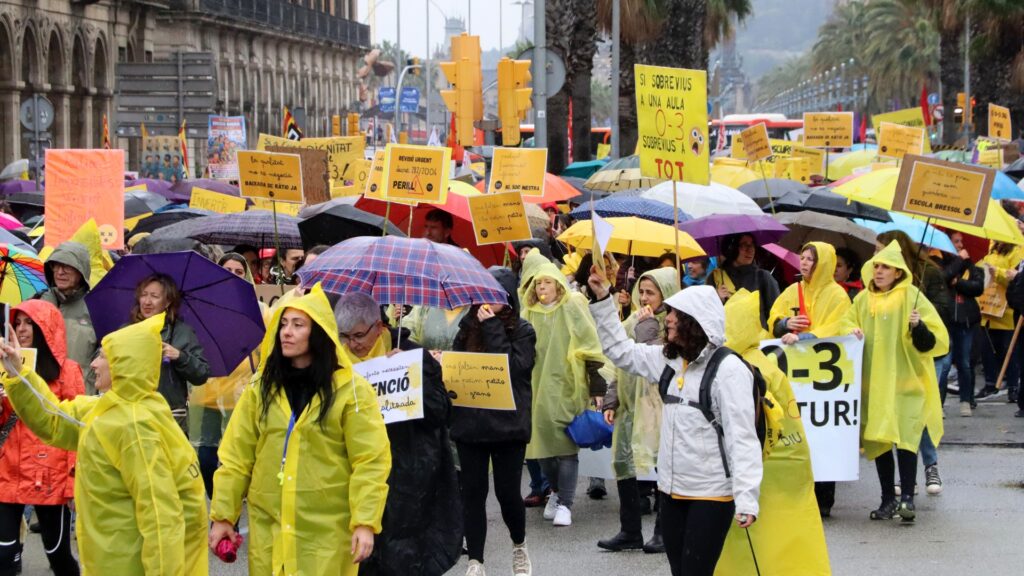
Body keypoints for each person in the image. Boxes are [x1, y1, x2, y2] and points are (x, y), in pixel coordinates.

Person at [0, 313, 208, 573]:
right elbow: (52, 419)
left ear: (124, 365)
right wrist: (18, 373)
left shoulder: (135, 426)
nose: (94, 364)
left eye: (103, 357)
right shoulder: (106, 409)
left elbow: (160, 517)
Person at [586, 273, 761, 576]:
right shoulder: (669, 360)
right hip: (670, 491)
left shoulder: (729, 370)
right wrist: (603, 300)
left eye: (676, 315)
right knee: (679, 571)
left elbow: (742, 437)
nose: (668, 319)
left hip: (711, 495)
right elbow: (620, 352)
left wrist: (747, 498)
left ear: (696, 322)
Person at [210, 285, 391, 574]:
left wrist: (365, 522)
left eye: (298, 325)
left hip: (325, 537)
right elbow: (236, 457)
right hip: (271, 532)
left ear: (318, 333)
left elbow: (370, 461)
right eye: (283, 324)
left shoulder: (352, 392)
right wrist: (222, 516)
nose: (286, 332)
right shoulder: (261, 389)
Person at [334, 292, 462, 576]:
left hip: (408, 477)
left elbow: (441, 413)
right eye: (344, 336)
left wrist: (411, 374)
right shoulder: (334, 362)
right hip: (356, 475)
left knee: (402, 559)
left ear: (378, 327)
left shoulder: (412, 353)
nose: (352, 344)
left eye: (358, 335)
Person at [716, 289, 830, 575]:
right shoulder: (765, 363)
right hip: (783, 469)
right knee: (780, 541)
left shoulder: (740, 367)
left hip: (758, 467)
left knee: (751, 543)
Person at [841, 240, 947, 522]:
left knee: (907, 439)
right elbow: (844, 324)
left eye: (885, 266)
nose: (878, 271)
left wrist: (918, 325)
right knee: (881, 440)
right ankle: (888, 498)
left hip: (906, 383)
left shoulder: (912, 297)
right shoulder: (863, 300)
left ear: (898, 271)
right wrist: (850, 330)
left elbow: (933, 342)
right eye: (876, 265)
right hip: (875, 384)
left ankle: (907, 499)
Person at [451, 268, 536, 576]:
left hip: (507, 427)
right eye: (482, 292)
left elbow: (513, 370)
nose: (486, 300)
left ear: (507, 297)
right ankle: (476, 560)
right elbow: (460, 366)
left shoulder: (523, 330)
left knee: (507, 492)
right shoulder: (467, 326)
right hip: (471, 424)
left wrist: (493, 328)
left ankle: (519, 545)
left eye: (494, 293)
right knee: (472, 492)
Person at [520, 251, 607, 528]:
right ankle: (555, 492)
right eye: (538, 283)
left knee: (566, 447)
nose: (541, 286)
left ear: (558, 283)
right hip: (537, 390)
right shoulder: (528, 314)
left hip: (567, 387)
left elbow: (590, 344)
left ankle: (566, 504)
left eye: (547, 281)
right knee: (543, 448)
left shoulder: (572, 307)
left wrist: (596, 384)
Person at [597, 268, 679, 554]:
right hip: (628, 403)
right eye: (641, 291)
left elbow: (653, 358)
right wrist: (611, 400)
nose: (643, 298)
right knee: (623, 463)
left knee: (661, 465)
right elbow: (619, 364)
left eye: (651, 293)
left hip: (654, 406)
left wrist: (646, 329)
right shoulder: (632, 319)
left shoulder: (673, 325)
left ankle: (663, 531)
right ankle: (629, 531)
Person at [768, 242, 851, 516]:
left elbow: (837, 326)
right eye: (802, 257)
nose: (803, 263)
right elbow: (774, 319)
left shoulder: (837, 295)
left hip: (823, 379)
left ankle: (824, 498)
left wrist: (804, 337)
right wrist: (784, 325)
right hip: (798, 377)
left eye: (811, 259)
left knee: (823, 432)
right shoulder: (793, 291)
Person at [0, 301, 83, 575]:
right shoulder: (2, 363)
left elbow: (75, 426)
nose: (22, 329)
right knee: (4, 554)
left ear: (46, 329)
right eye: (18, 322)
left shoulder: (68, 370)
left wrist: (73, 483)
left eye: (29, 323)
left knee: (58, 556)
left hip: (50, 477)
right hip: (7, 471)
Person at [876, 230, 952, 496]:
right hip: (894, 362)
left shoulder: (927, 274)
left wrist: (917, 312)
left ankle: (930, 464)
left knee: (920, 414)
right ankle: (907, 478)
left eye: (881, 250)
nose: (876, 258)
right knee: (900, 416)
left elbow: (943, 311)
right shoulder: (878, 286)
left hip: (925, 357)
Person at [188, 254, 263, 497]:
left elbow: (267, 349)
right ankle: (217, 497)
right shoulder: (200, 306)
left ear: (246, 276)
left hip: (240, 398)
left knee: (234, 457)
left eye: (238, 271)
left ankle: (228, 504)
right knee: (205, 457)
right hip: (206, 395)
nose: (232, 274)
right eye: (227, 269)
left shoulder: (257, 309)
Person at [131, 273, 210, 434]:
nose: (147, 301)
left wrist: (179, 356)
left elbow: (202, 373)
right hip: (134, 417)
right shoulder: (127, 331)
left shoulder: (182, 332)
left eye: (154, 296)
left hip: (171, 420)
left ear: (167, 302)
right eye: (143, 295)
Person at [36, 240, 98, 393]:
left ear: (81, 271)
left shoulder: (96, 308)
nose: (59, 272)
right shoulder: (37, 303)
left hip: (80, 396)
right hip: (42, 394)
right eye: (55, 265)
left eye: (67, 266)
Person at [937, 231, 984, 416]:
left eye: (961, 241)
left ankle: (966, 400)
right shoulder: (941, 263)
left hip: (966, 320)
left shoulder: (972, 265)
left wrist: (958, 283)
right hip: (946, 320)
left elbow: (977, 287)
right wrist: (957, 263)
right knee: (945, 364)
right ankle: (938, 404)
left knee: (965, 362)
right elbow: (943, 278)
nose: (960, 245)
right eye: (956, 241)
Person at [707, 232, 780, 327]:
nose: (750, 250)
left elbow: (776, 314)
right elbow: (707, 316)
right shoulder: (716, 277)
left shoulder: (763, 277)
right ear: (731, 248)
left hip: (759, 340)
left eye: (752, 245)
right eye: (744, 245)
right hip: (726, 339)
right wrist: (716, 299)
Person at [978, 241, 1020, 400]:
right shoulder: (991, 247)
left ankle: (1013, 387)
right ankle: (990, 384)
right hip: (987, 308)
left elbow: (1015, 278)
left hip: (1006, 311)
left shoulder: (1016, 251)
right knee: (987, 349)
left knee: (1008, 351)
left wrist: (998, 272)